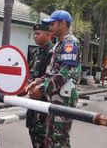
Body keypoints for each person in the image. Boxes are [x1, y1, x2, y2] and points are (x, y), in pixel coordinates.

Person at [27, 10, 81, 148]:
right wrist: (38, 81)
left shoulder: (70, 44)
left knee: (59, 139)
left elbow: (65, 73)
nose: (50, 27)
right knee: (50, 139)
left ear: (62, 24)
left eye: (52, 23)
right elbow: (51, 72)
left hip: (64, 97)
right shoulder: (59, 45)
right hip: (54, 96)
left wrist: (42, 88)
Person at [25, 24, 54, 148]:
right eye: (34, 33)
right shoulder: (36, 51)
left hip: (44, 102)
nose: (34, 36)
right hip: (33, 101)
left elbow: (51, 76)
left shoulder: (52, 52)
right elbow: (30, 74)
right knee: (33, 132)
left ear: (48, 34)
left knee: (43, 136)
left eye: (38, 33)